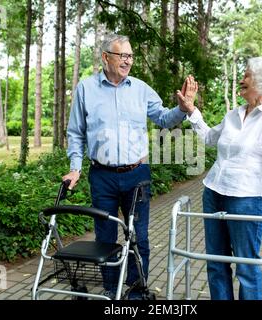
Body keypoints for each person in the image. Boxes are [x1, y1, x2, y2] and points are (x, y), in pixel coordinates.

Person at [62, 34, 195, 300]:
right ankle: (111, 290)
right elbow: (76, 132)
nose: (128, 61)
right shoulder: (86, 89)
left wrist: (181, 109)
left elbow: (164, 119)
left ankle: (136, 290)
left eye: (131, 55)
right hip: (102, 176)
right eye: (122, 55)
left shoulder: (141, 89)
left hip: (137, 175)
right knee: (105, 237)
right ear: (105, 57)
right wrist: (75, 167)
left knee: (139, 237)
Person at [177, 57, 262, 300]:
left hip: (246, 198)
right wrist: (191, 110)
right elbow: (210, 138)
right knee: (215, 263)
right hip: (213, 192)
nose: (241, 80)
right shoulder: (235, 114)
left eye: (247, 76)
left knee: (246, 268)